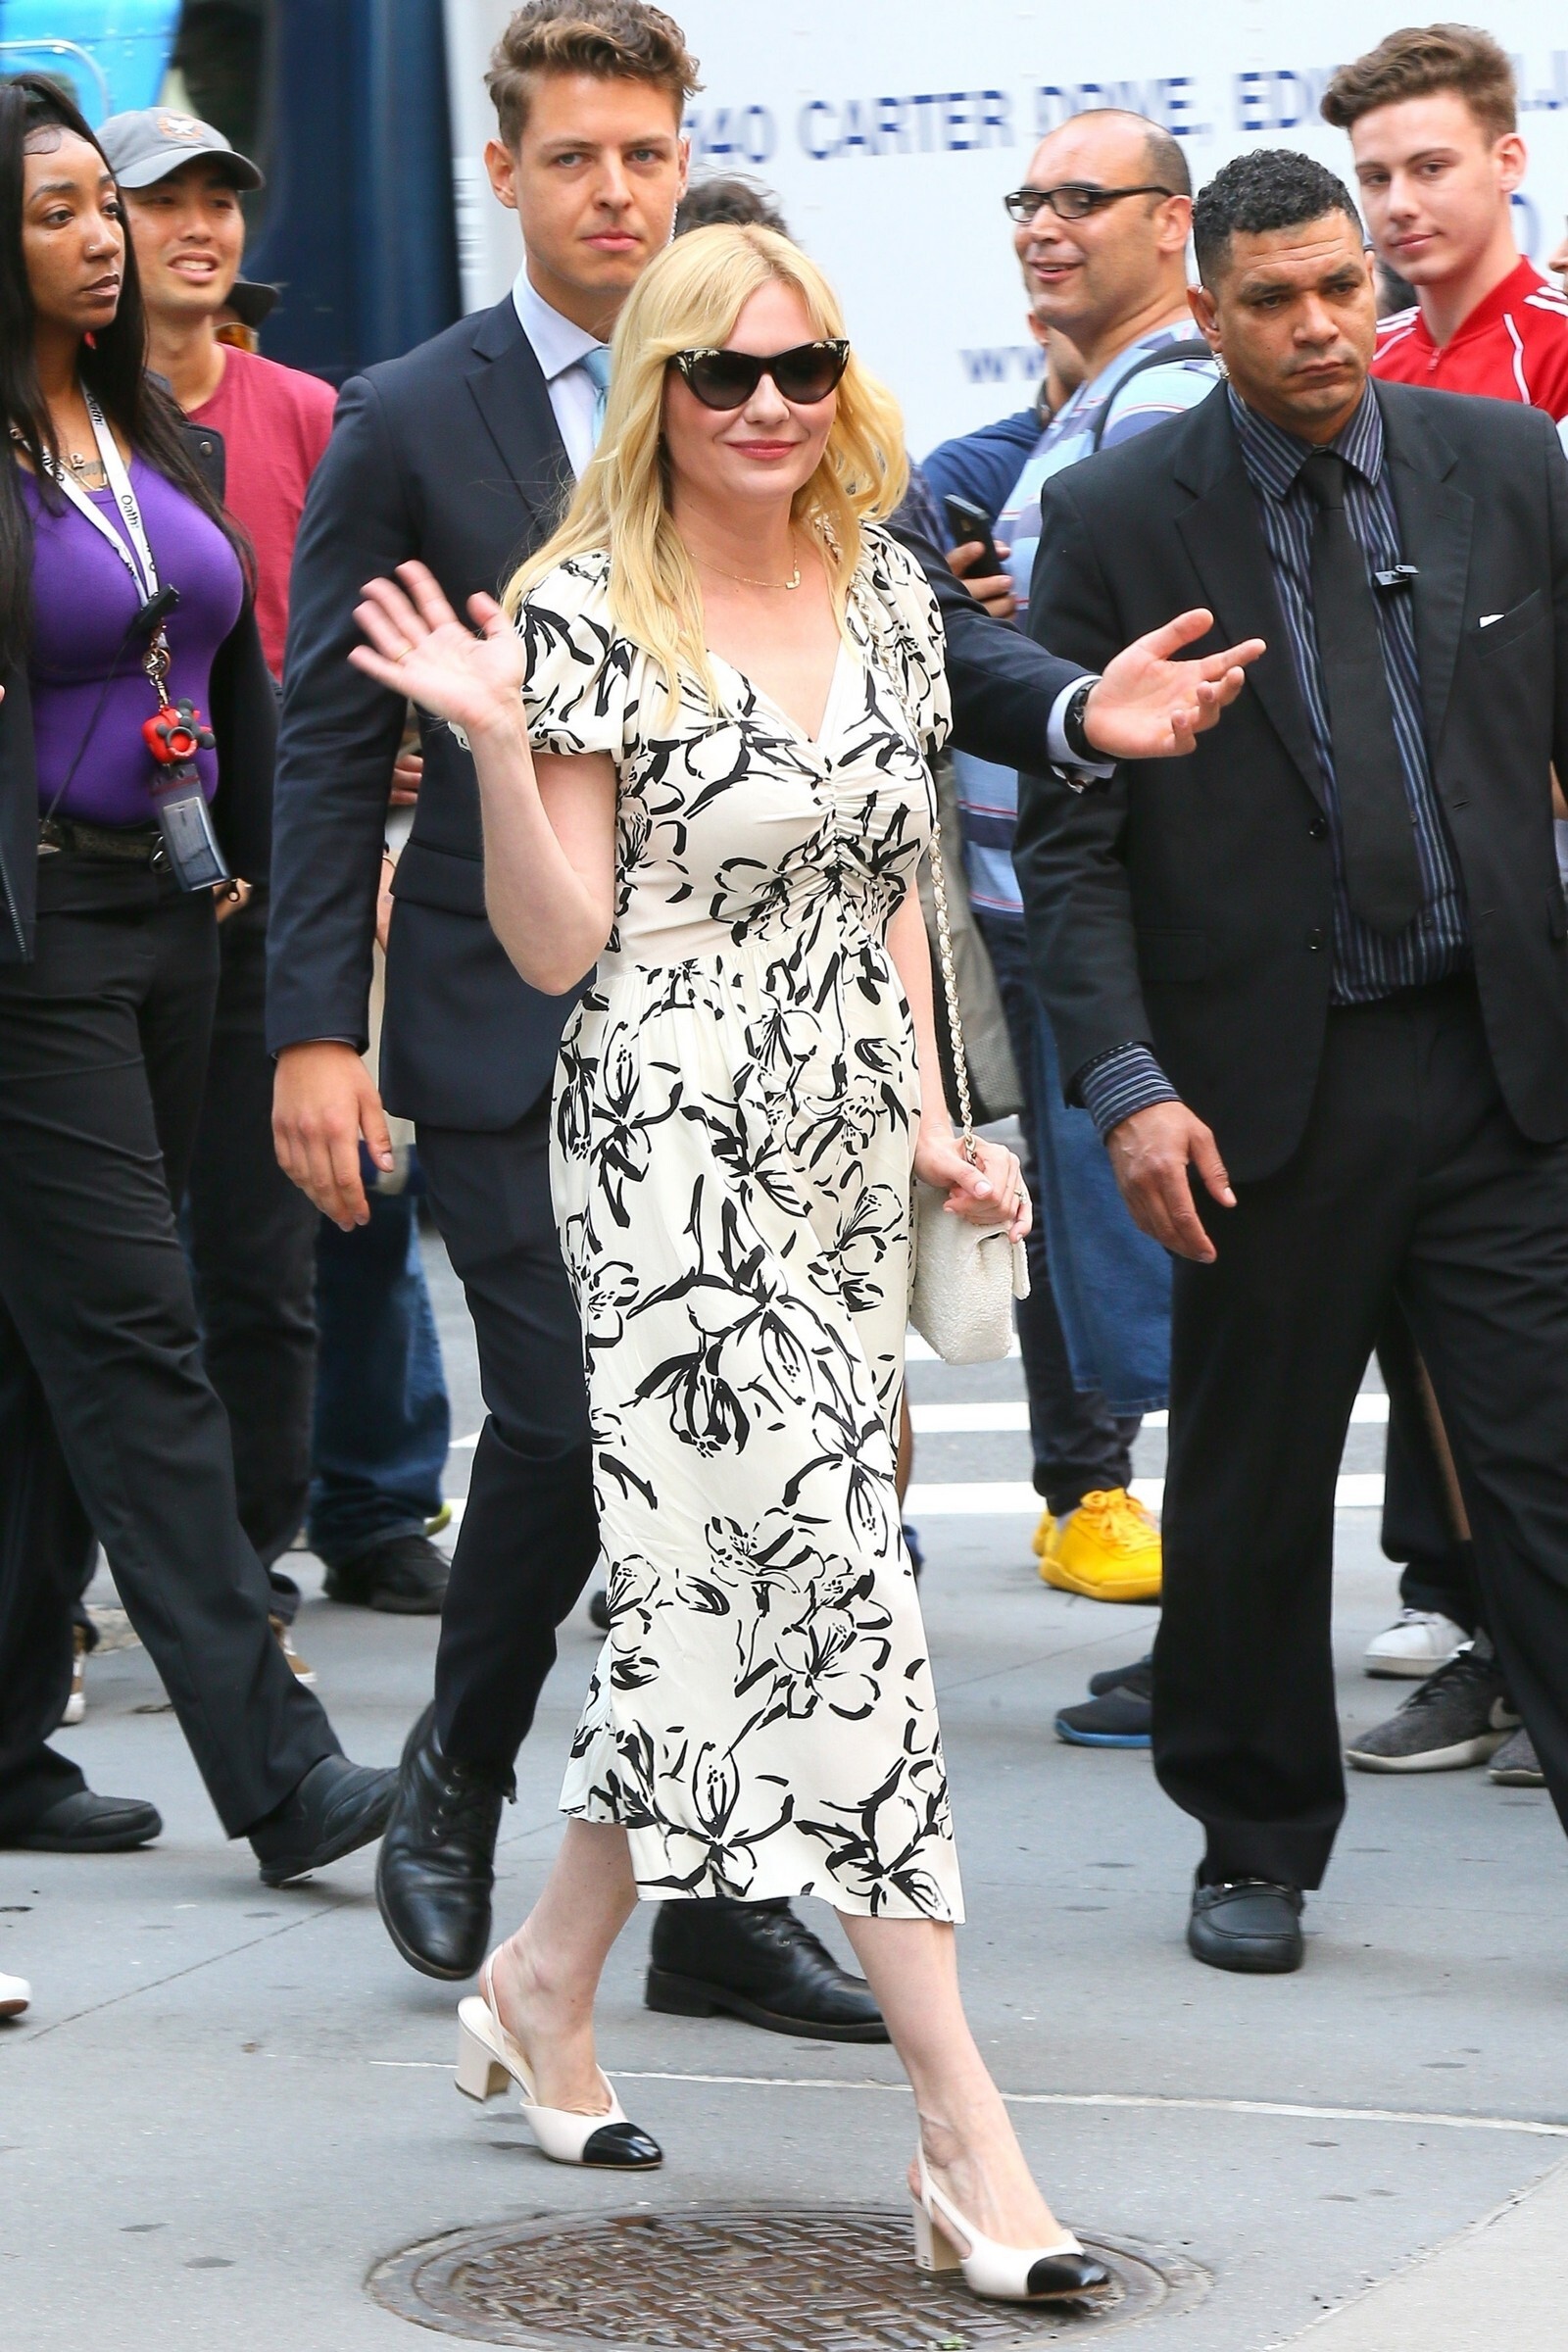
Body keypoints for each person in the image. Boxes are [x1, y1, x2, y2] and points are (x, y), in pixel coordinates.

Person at [269, 0, 1257, 1999]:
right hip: (521, 1012)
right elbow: (322, 735)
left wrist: (1078, 706)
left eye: (644, 152)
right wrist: (312, 1028)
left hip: (787, 1058)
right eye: (573, 157)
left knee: (761, 1476)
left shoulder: (779, 373)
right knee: (580, 1425)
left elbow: (916, 651)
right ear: (505, 174)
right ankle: (465, 1765)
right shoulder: (411, 413)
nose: (615, 190)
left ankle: (713, 1919)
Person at [354, 217, 1111, 2314]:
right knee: (836, 1596)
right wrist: (492, 742)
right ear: (658, 389)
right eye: (721, 372)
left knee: (719, 1597)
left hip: (841, 1135)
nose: (767, 404)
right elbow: (557, 949)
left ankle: (541, 1975)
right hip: (669, 1145)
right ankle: (963, 2130)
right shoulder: (582, 606)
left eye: (802, 367)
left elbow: (890, 892)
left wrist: (934, 1117)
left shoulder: (881, 585)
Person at [1015, 144, 1568, 1976]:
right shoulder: (1120, 516)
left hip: (1499, 1067)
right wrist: (1126, 1086)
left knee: (1551, 1469)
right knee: (1250, 1489)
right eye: (1274, 300)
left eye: (1345, 286)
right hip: (1262, 1094)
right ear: (1210, 310)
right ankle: (1251, 1842)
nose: (1323, 325)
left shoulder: (1507, 465)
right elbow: (1074, 843)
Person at [0, 74, 392, 1878]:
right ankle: (281, 1770)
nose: (107, 237)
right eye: (57, 213)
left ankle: (6, 1740)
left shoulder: (138, 419)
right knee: (137, 1334)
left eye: (106, 203)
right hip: (32, 946)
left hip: (180, 922)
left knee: (46, 1349)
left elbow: (228, 664)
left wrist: (263, 886)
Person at [101, 104, 454, 1634]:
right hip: (106, 879)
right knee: (115, 1249)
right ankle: (96, 1575)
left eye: (220, 200)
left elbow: (382, 617)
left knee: (331, 1205)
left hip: (292, 866)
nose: (199, 228)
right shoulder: (57, 420)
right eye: (159, 202)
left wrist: (383, 790)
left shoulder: (308, 410)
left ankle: (351, 1514)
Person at [925, 112, 1218, 1626]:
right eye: (1027, 200)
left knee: (1177, 1286)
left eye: (1083, 198)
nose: (1043, 224)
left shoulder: (1165, 395)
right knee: (1114, 1273)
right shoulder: (1083, 406)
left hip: (1111, 915)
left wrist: (1006, 632)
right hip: (1045, 907)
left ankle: (1218, 1642)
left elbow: (1159, 660)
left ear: (1172, 223)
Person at [1324, 23, 1568, 1781]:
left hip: (1543, 888)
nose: (1402, 203)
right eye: (1376, 178)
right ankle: (1480, 1630)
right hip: (1423, 922)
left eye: (1430, 166)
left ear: (1509, 159)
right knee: (1438, 1299)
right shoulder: (1370, 367)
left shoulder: (1558, 354)